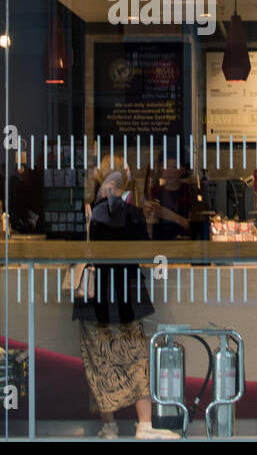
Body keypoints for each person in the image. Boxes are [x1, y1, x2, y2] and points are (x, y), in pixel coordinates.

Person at [73, 155, 175, 439]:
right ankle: (144, 423)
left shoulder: (88, 210)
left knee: (100, 360)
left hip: (95, 296)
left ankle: (110, 426)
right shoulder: (130, 212)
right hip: (125, 295)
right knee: (135, 358)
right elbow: (144, 249)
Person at [145, 155, 201, 241]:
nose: (170, 171)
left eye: (175, 166)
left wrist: (172, 216)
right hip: (159, 244)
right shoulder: (154, 193)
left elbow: (197, 227)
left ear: (183, 170)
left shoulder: (191, 192)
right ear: (161, 169)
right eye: (166, 166)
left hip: (186, 245)